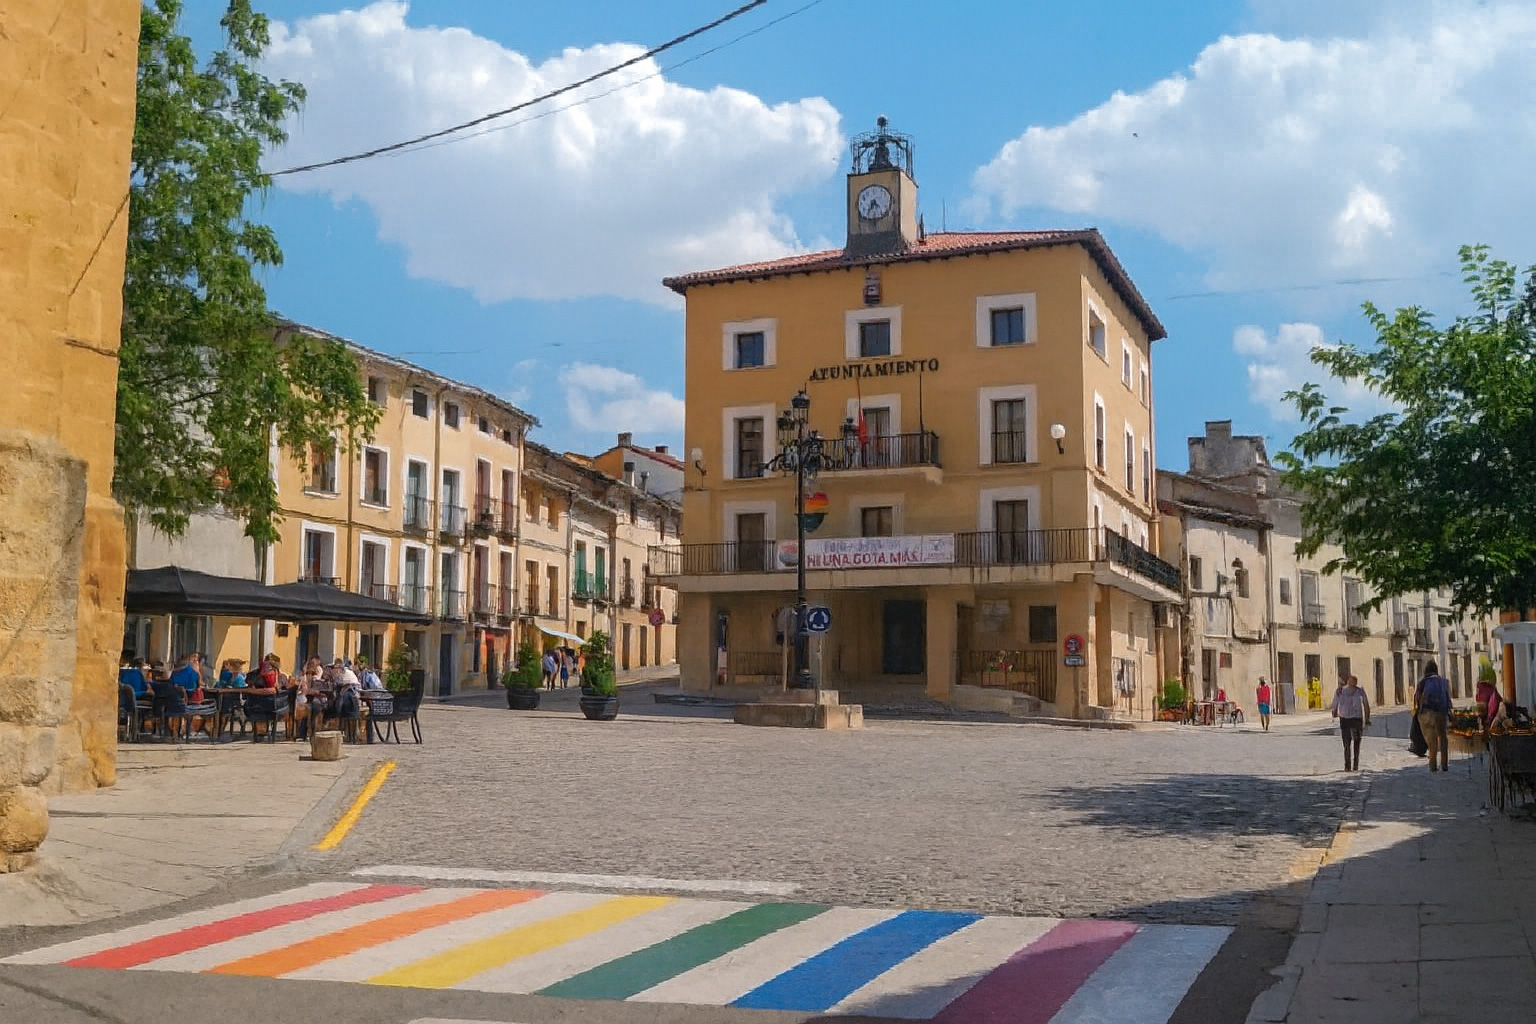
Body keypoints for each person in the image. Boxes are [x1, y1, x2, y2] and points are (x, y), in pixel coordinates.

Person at [1415, 660, 1453, 772]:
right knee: (1443, 738)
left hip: (1427, 713)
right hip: (1441, 713)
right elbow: (1448, 699)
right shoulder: (1444, 682)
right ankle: (1444, 764)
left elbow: (1417, 698)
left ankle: (1433, 765)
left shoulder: (1422, 682)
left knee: (1432, 741)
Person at [1330, 674, 1371, 771]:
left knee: (1357, 741)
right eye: (1352, 681)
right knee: (1346, 743)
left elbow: (1366, 705)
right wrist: (1334, 713)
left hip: (1357, 719)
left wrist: (1367, 718)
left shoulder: (1360, 690)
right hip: (1344, 719)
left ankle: (1355, 764)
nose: (1354, 683)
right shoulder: (1340, 691)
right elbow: (1334, 704)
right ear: (1348, 681)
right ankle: (1347, 765)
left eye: (1355, 681)